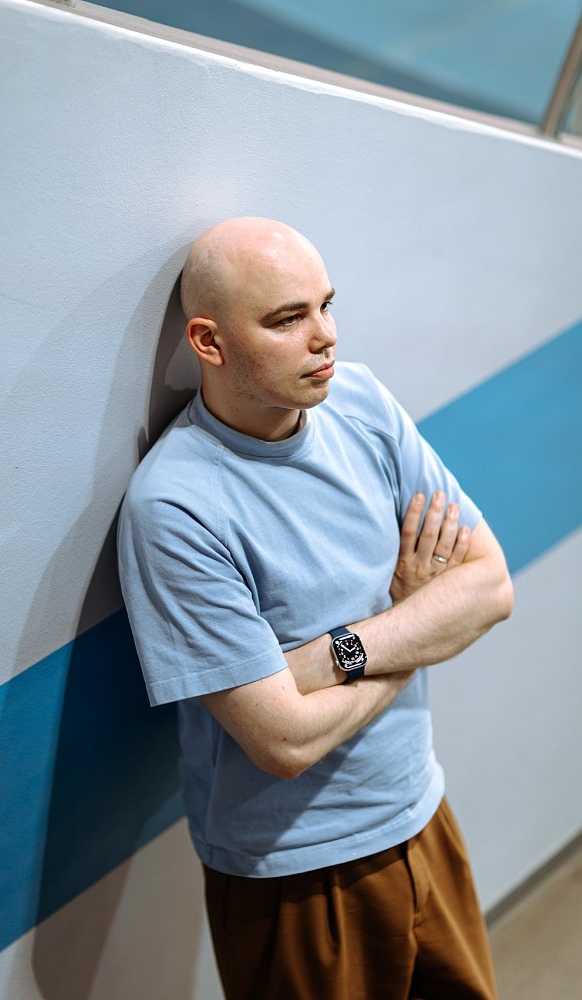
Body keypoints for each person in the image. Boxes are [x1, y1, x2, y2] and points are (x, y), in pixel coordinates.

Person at [118, 217, 514, 1000]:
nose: (324, 336)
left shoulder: (360, 402)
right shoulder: (176, 505)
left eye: (325, 306)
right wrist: (414, 624)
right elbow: (282, 741)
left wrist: (333, 656)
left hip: (421, 813)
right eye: (286, 319)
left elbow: (490, 586)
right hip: (295, 872)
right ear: (209, 341)